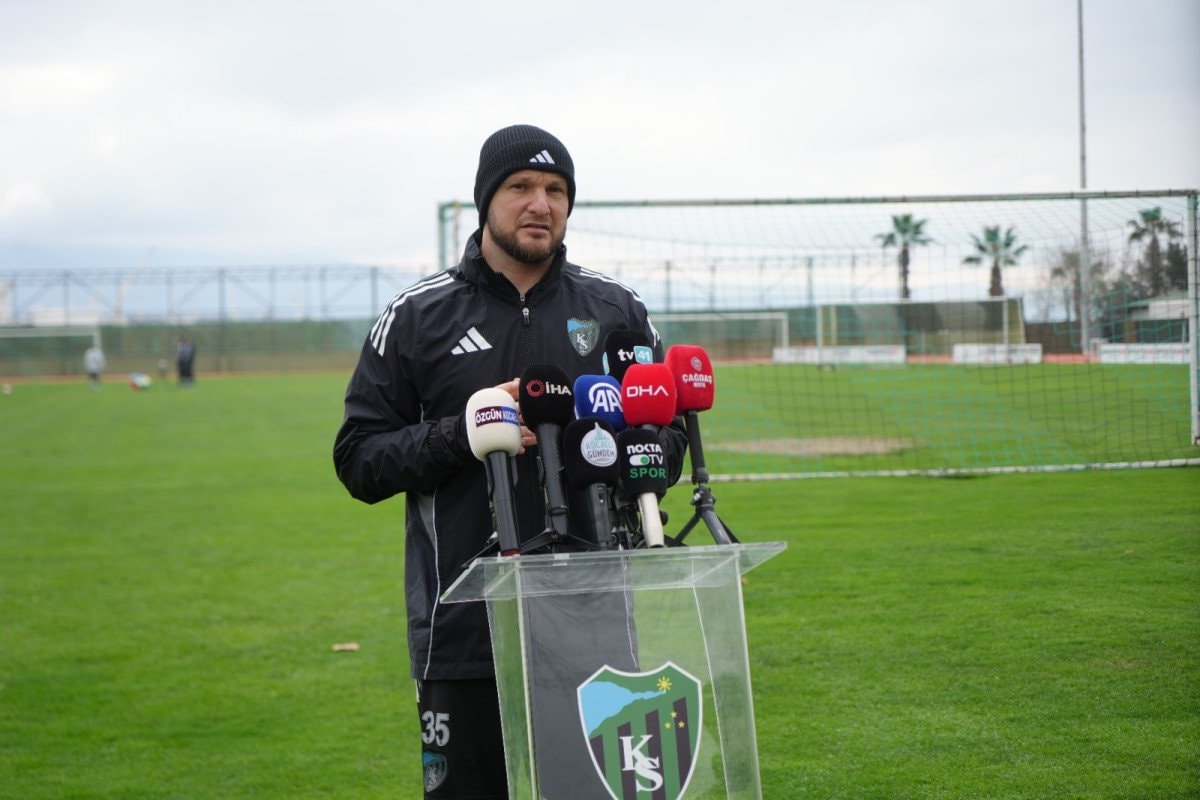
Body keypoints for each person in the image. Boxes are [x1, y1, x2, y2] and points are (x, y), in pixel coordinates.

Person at [333, 124, 687, 799]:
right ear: (485, 200)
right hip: (463, 631)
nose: (540, 204)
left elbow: (666, 438)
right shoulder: (418, 316)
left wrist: (617, 453)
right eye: (520, 186)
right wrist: (465, 433)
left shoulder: (617, 310)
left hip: (594, 620)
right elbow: (359, 459)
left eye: (556, 190)